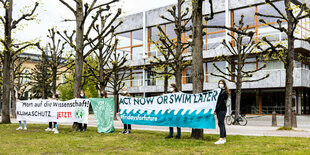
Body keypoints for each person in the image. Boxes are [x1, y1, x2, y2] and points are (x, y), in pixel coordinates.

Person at [214, 79, 230, 144]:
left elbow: (220, 102)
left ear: (224, 84)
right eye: (219, 83)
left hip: (222, 109)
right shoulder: (219, 91)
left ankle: (221, 138)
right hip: (219, 109)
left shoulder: (224, 92)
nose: (220, 84)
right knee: (221, 123)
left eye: (222, 83)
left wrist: (216, 110)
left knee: (221, 124)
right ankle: (224, 138)